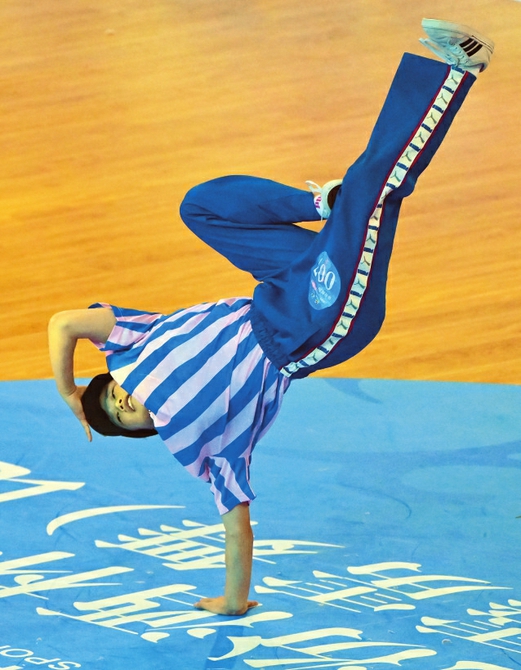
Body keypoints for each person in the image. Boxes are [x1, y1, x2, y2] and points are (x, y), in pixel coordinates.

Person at [48, 19, 494, 616]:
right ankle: (459, 69)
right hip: (312, 324)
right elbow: (237, 528)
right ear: (149, 430)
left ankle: (321, 204)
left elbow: (64, 324)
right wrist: (233, 601)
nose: (122, 402)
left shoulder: (140, 340)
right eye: (123, 416)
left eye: (112, 395)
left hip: (277, 285)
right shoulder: (205, 444)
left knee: (200, 207)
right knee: (371, 192)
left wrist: (69, 390)